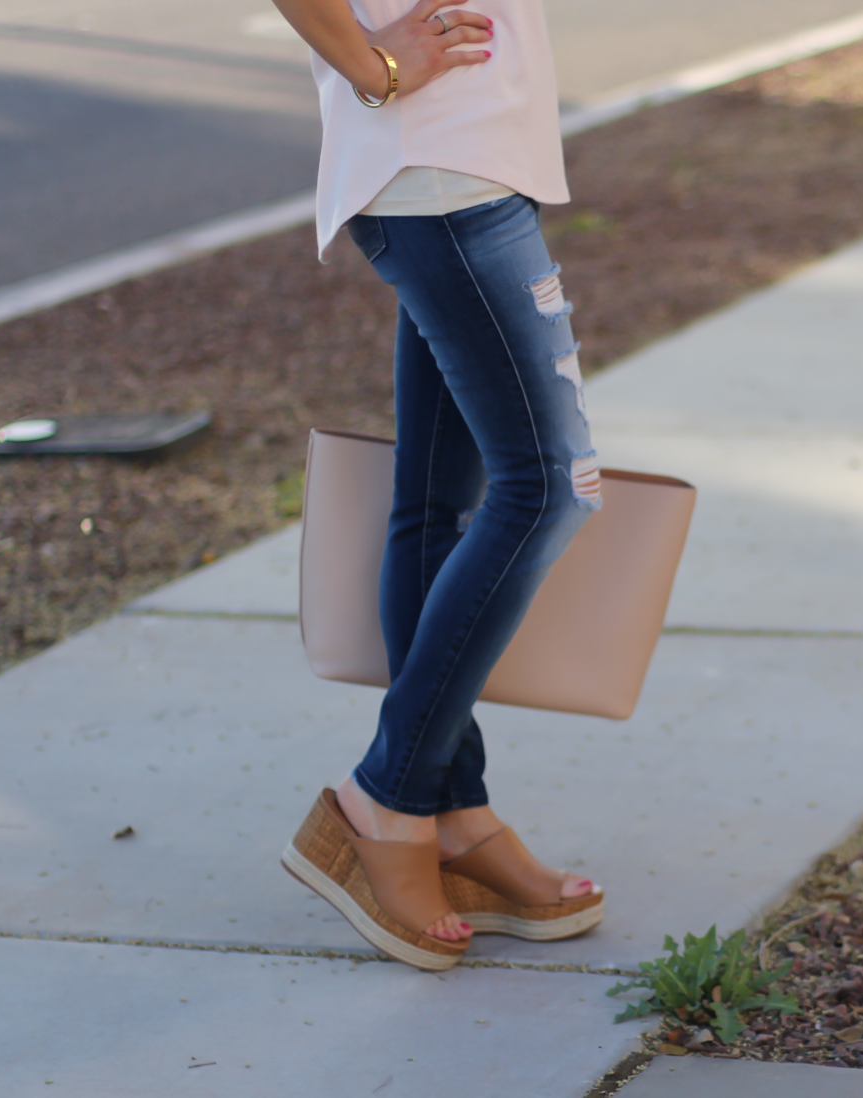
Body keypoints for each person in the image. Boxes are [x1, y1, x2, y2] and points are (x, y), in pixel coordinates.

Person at [272, 0, 604, 971]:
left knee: (437, 505)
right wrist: (373, 64)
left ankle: (454, 814)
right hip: (439, 173)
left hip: (467, 160)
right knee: (548, 486)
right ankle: (389, 791)